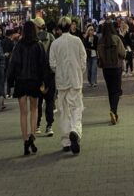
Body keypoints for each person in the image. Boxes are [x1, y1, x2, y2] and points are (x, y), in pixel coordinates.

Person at [8, 19, 48, 156]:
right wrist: (45, 81)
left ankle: (25, 139)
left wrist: (10, 81)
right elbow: (43, 65)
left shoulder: (18, 45)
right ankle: (32, 135)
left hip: (20, 81)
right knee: (34, 109)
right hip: (34, 81)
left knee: (23, 113)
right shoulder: (39, 45)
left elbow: (13, 64)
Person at [48, 15, 87, 156]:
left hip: (61, 82)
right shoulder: (77, 41)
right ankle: (75, 131)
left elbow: (52, 63)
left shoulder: (55, 44)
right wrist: (79, 70)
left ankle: (65, 141)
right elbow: (83, 59)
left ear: (59, 28)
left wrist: (59, 71)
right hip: (75, 80)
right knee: (76, 108)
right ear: (71, 26)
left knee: (63, 111)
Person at [97, 20, 126, 124]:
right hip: (116, 68)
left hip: (106, 69)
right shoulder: (116, 38)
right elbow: (123, 53)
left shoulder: (100, 40)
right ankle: (113, 111)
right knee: (117, 91)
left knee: (110, 90)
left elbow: (98, 55)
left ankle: (113, 112)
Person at [34, 16, 55, 136]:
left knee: (37, 101)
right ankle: (49, 126)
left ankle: (37, 125)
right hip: (50, 73)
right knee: (49, 100)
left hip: (37, 74)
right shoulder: (51, 37)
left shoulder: (33, 39)